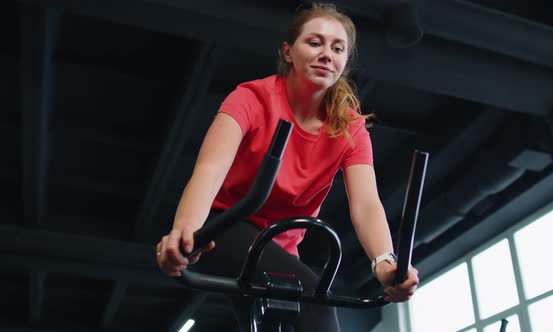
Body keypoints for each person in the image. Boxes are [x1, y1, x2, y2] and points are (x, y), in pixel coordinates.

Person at [156, 3, 419, 331]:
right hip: (225, 226)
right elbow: (210, 170)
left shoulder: (349, 127)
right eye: (314, 42)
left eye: (338, 48)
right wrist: (185, 233)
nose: (327, 54)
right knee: (314, 304)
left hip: (281, 242)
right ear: (288, 52)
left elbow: (366, 203)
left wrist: (385, 262)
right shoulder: (250, 98)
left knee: (271, 322)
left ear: (344, 61)